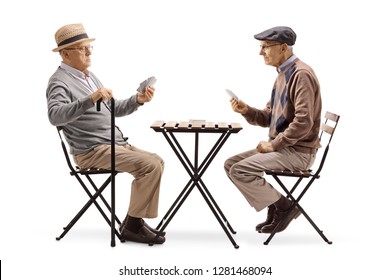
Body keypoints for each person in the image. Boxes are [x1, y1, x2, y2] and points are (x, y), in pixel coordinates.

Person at [46, 23, 165, 244]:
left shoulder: (89, 76)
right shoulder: (59, 81)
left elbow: (114, 109)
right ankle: (132, 226)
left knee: (157, 161)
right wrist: (90, 99)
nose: (89, 52)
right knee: (150, 166)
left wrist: (137, 100)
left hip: (114, 144)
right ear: (65, 53)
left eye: (89, 47)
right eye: (82, 48)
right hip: (91, 151)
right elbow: (55, 116)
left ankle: (133, 221)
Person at [224, 26, 322, 234]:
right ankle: (275, 207)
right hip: (286, 149)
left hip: (298, 152)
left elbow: (304, 122)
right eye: (261, 47)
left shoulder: (301, 75)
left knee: (239, 170)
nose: (261, 52)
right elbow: (269, 117)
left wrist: (274, 144)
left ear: (284, 47)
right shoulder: (283, 75)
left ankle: (285, 207)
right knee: (231, 164)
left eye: (266, 47)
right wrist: (246, 110)